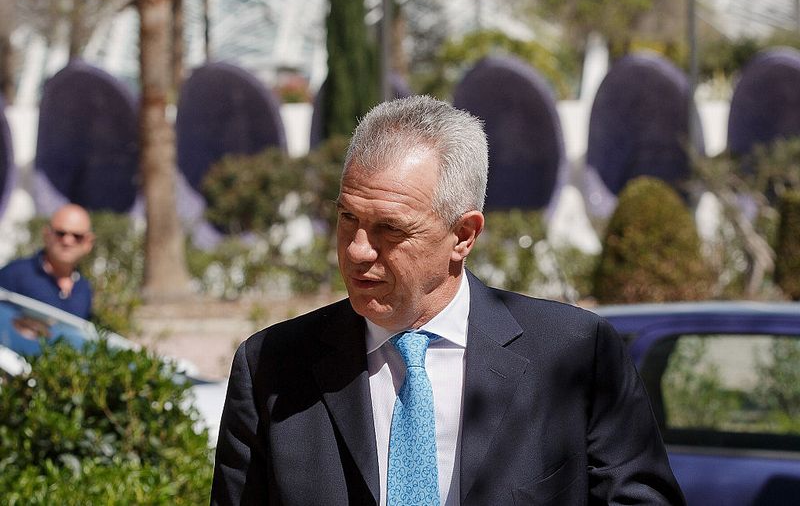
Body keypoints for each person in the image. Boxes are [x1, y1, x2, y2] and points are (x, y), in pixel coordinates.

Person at [211, 96, 684, 505]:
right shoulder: (271, 367)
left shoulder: (575, 352)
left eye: (389, 229)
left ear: (463, 235)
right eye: (348, 218)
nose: (357, 250)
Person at [0, 204, 94, 319]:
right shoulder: (15, 274)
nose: (67, 241)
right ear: (46, 234)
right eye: (60, 233)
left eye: (77, 236)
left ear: (88, 243)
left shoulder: (85, 289)